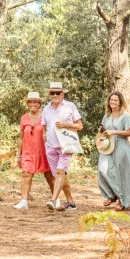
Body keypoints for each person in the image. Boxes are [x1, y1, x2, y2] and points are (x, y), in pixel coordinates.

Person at [41, 82, 83, 212]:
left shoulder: (70, 106)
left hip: (66, 145)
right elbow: (44, 126)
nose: (55, 95)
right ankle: (71, 202)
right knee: (60, 175)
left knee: (60, 172)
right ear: (49, 94)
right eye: (52, 93)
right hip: (51, 146)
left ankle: (53, 200)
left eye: (57, 93)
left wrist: (65, 124)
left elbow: (80, 126)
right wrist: (44, 135)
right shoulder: (46, 109)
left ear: (62, 93)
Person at [14, 92, 56, 210]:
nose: (32, 104)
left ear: (40, 104)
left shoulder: (45, 116)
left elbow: (52, 133)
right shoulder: (24, 118)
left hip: (44, 151)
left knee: (49, 176)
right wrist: (19, 155)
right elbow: (21, 137)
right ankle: (23, 201)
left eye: (35, 102)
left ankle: (56, 199)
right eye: (30, 102)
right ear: (27, 104)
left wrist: (48, 137)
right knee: (26, 175)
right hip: (28, 152)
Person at [96, 91, 130, 211]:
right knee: (103, 168)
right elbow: (103, 128)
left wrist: (114, 132)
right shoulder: (106, 115)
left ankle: (122, 201)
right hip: (108, 146)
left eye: (115, 100)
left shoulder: (125, 116)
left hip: (121, 146)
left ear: (120, 103)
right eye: (111, 100)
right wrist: (102, 131)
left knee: (121, 173)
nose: (113, 102)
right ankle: (111, 194)